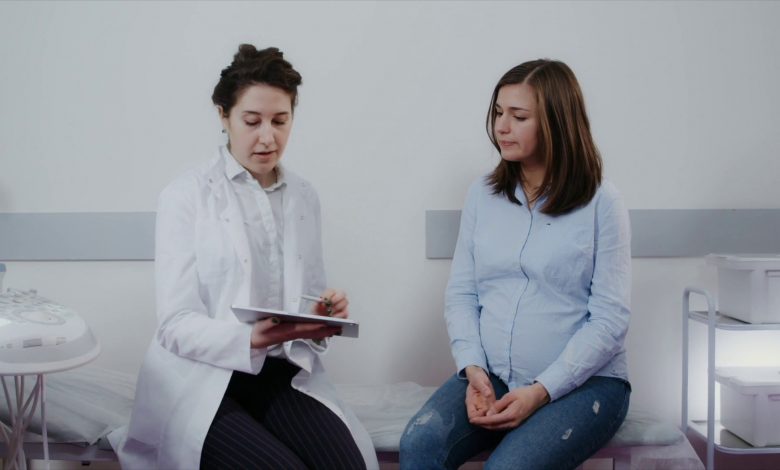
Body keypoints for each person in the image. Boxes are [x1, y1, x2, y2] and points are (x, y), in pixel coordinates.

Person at [112, 44, 378, 470]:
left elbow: (307, 300)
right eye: (252, 121)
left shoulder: (304, 197)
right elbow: (175, 324)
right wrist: (250, 339)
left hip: (278, 372)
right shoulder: (186, 196)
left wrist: (321, 316)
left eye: (280, 120)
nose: (268, 137)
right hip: (202, 379)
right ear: (224, 116)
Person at [399, 59, 632, 470]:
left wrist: (541, 391)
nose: (501, 127)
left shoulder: (602, 203)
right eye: (498, 113)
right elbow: (463, 294)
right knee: (420, 444)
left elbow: (610, 321)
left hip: (587, 385)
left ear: (557, 122)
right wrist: (473, 368)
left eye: (519, 117)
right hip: (494, 374)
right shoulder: (483, 195)